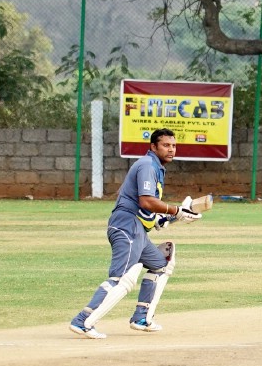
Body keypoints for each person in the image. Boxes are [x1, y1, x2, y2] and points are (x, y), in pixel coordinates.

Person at [70, 128, 202, 339]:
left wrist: (174, 217)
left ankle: (142, 317)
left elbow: (148, 211)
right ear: (153, 147)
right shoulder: (147, 165)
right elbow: (146, 201)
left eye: (173, 145)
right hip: (126, 226)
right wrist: (175, 210)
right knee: (121, 278)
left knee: (161, 263)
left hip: (137, 228)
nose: (171, 149)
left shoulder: (157, 168)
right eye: (166, 145)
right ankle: (83, 321)